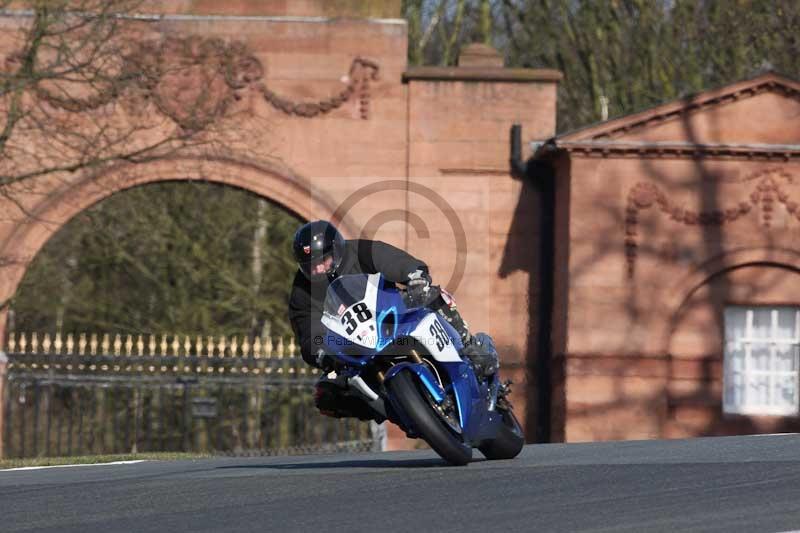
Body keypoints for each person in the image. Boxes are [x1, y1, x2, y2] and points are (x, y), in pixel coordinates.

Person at [287, 220, 498, 421]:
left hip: (392, 315)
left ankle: (470, 346)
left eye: (323, 260)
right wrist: (321, 353)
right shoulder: (301, 292)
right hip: (354, 345)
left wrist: (414, 277)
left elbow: (394, 261)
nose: (318, 270)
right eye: (310, 266)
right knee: (326, 395)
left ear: (336, 249)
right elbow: (308, 332)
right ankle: (390, 409)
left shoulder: (361, 251)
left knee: (432, 295)